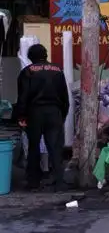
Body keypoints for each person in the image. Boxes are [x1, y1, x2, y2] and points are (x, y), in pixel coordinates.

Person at [16, 44, 70, 190]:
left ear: (30, 57)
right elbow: (64, 96)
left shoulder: (27, 72)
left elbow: (23, 97)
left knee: (34, 147)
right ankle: (59, 182)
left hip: (35, 113)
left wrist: (21, 116)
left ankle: (33, 182)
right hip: (55, 112)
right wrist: (62, 115)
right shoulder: (58, 70)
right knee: (55, 148)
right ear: (45, 54)